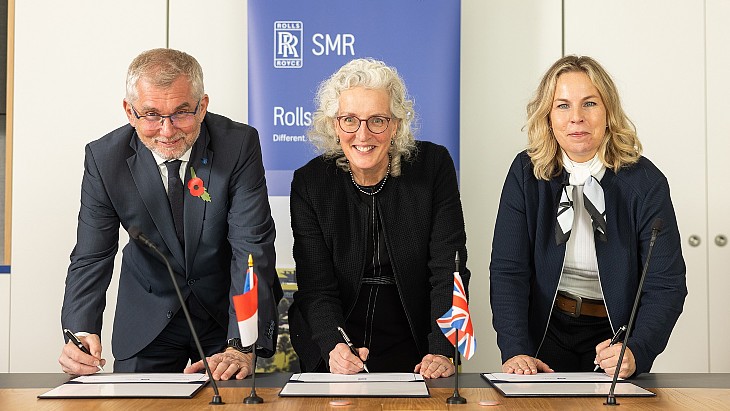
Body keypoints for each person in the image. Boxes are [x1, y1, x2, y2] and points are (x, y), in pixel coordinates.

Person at [58, 48, 282, 380]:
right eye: (151, 115)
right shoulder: (104, 159)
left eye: (181, 113)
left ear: (202, 106)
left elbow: (251, 247)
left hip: (225, 314)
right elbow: (92, 255)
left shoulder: (238, 145)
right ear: (129, 111)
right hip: (148, 313)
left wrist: (241, 342)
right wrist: (80, 332)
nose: (167, 130)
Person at [490, 55, 687, 378]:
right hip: (545, 331)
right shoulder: (525, 174)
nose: (576, 118)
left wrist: (637, 349)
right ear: (548, 117)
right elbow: (508, 271)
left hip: (614, 336)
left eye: (590, 104)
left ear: (608, 112)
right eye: (563, 106)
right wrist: (516, 349)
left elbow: (666, 283)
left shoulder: (646, 183)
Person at [288, 58, 470, 378]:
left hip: (415, 337)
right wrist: (335, 345)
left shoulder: (433, 167)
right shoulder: (310, 183)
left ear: (395, 125)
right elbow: (316, 287)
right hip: (338, 334)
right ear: (335, 126)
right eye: (349, 120)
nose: (363, 134)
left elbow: (448, 270)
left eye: (377, 120)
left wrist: (441, 349)